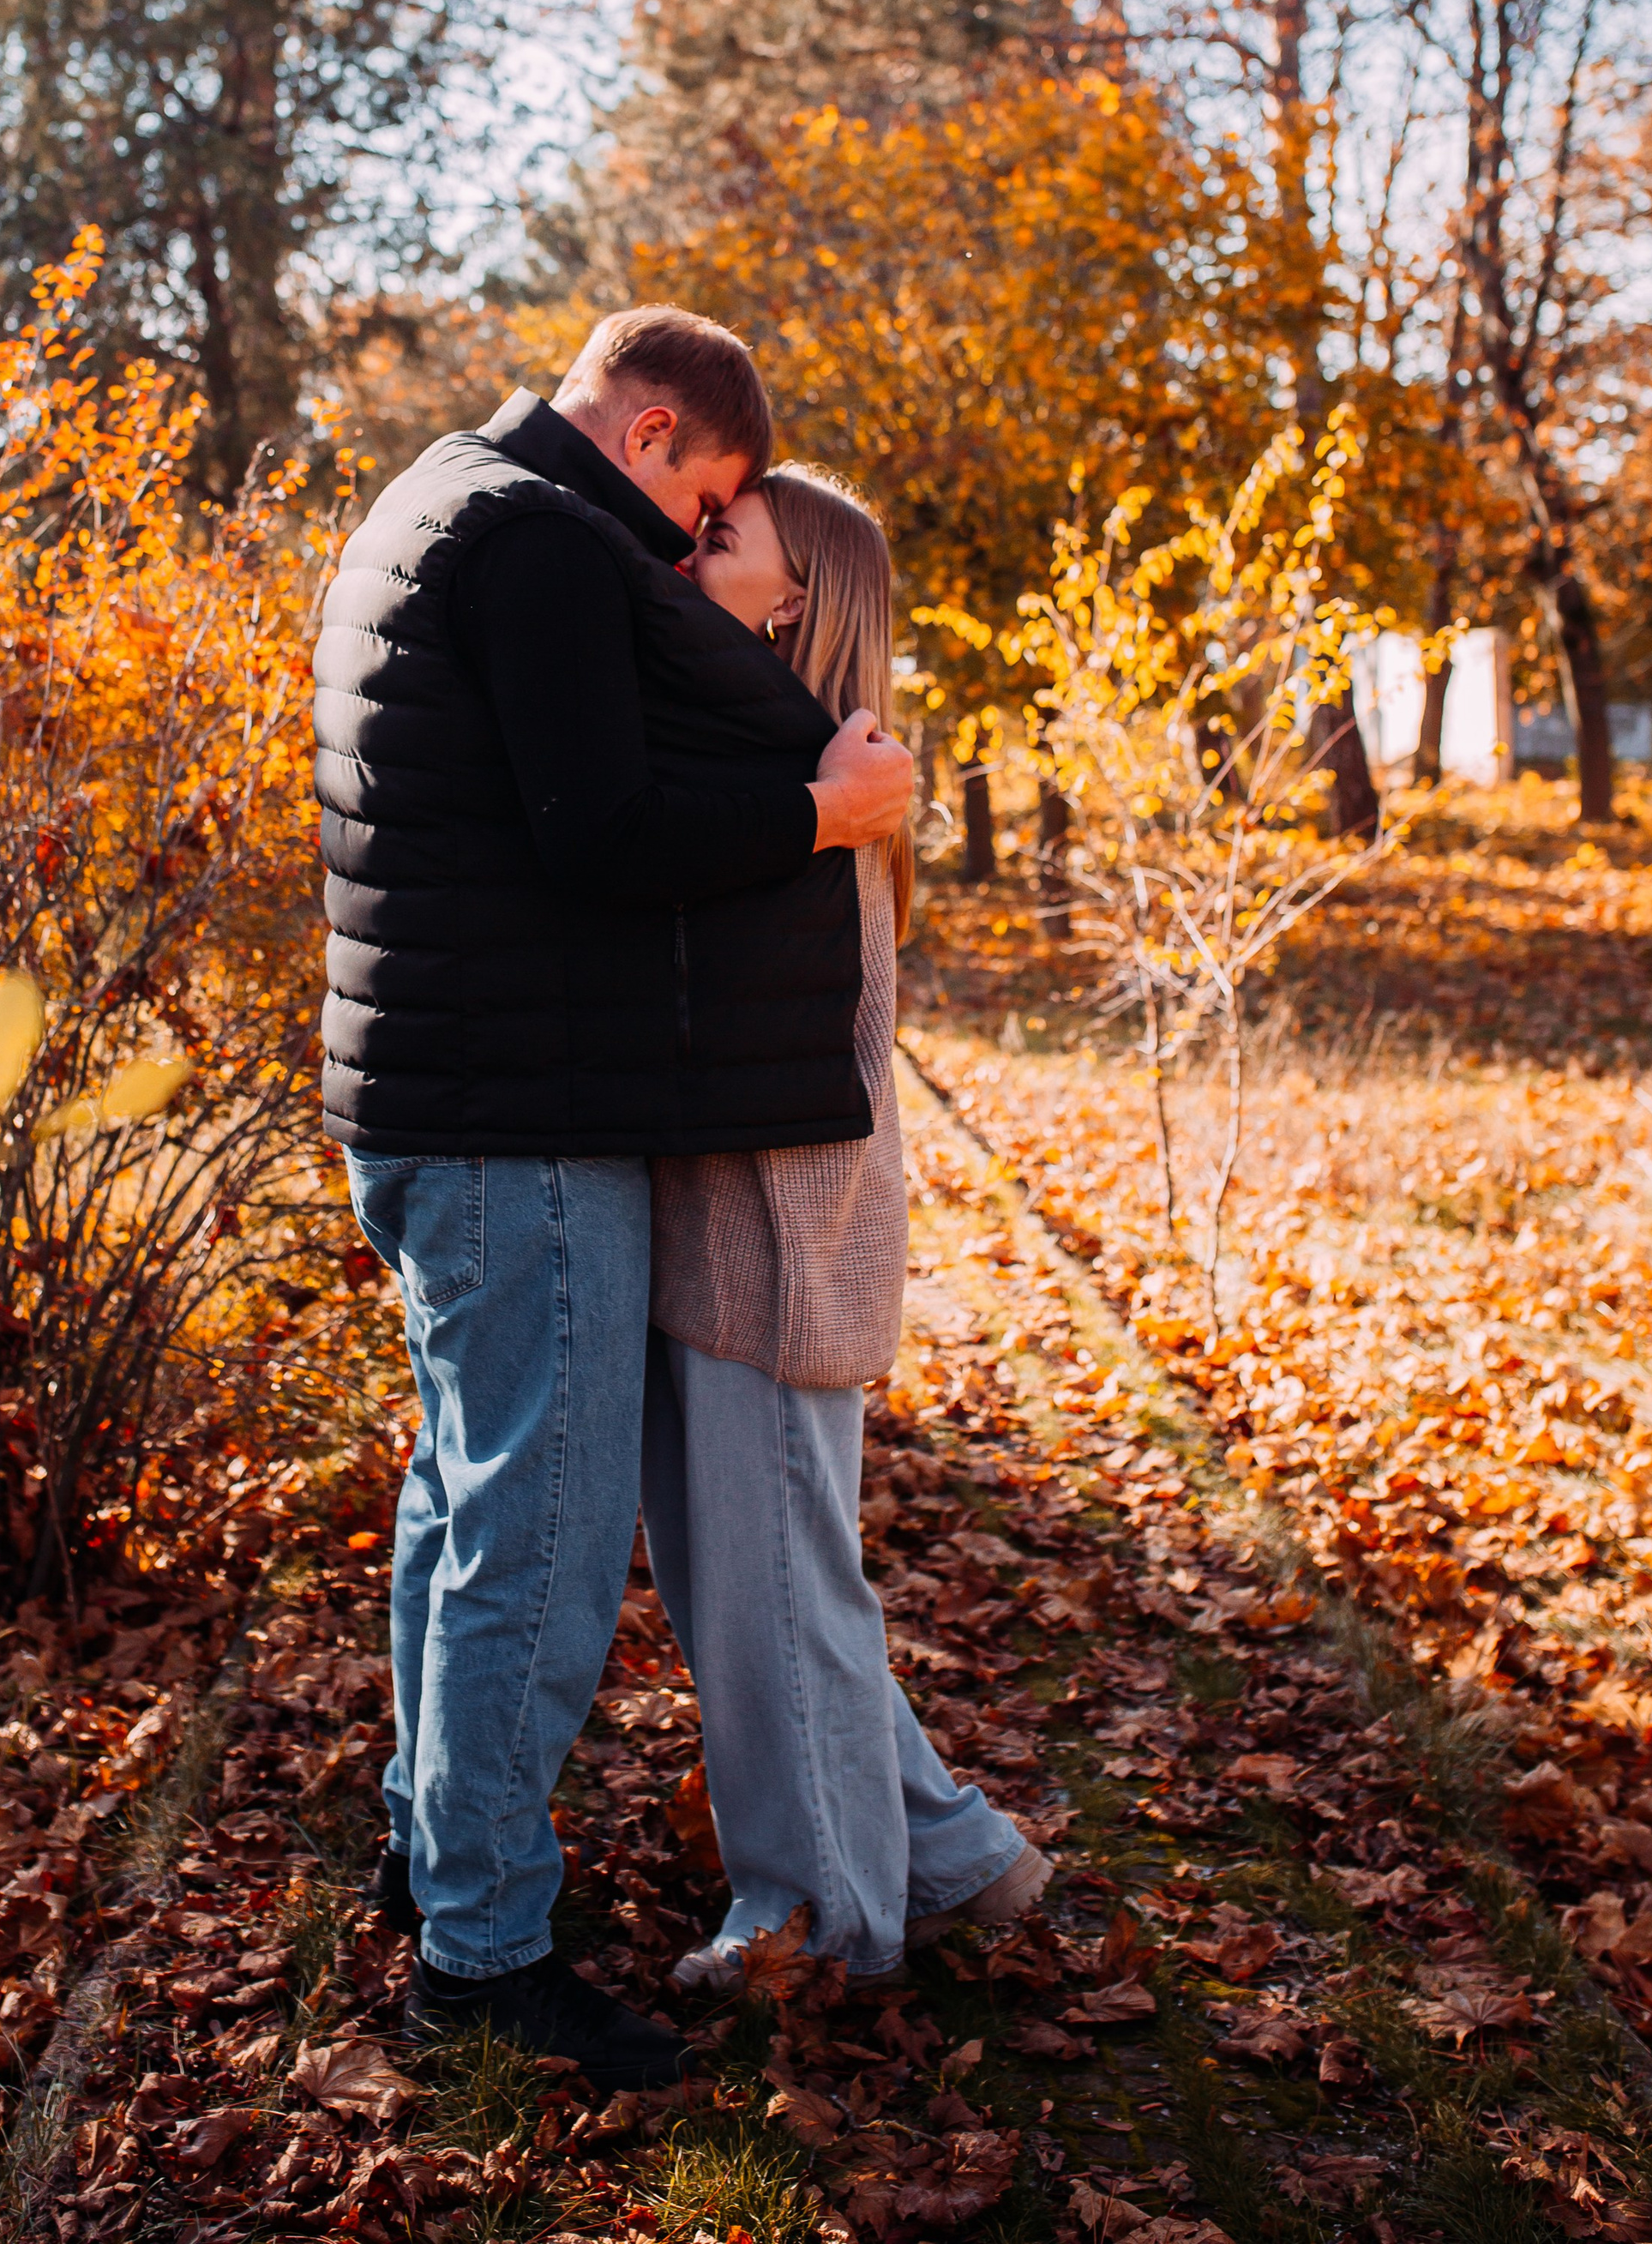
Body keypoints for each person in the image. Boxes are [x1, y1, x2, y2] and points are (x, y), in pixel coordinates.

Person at [313, 310, 913, 2087]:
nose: (693, 539)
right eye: (707, 497)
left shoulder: (433, 495)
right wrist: (817, 812)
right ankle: (485, 1956)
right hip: (522, 1116)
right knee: (540, 1534)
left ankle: (435, 1853)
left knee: (459, 1498)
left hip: (430, 1095)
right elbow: (601, 832)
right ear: (649, 434)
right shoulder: (547, 542)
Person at [646, 465, 1052, 1989]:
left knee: (774, 1594)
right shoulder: (794, 754)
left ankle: (820, 1921)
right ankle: (949, 1849)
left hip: (779, 1232)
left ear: (799, 597)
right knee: (754, 1583)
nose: (690, 544)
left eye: (723, 533)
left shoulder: (815, 766)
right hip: (737, 1227)